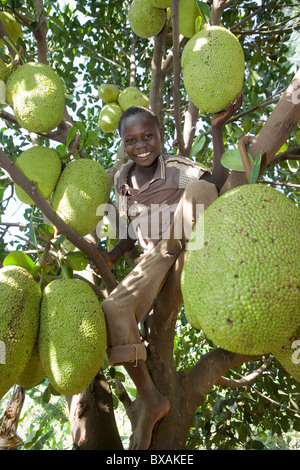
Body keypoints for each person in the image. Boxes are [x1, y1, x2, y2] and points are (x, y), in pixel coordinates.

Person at [96, 94, 242, 450]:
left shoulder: (175, 166)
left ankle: (204, 269)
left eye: (147, 136)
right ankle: (150, 399)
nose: (140, 145)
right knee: (112, 311)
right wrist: (112, 255)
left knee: (202, 188)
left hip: (189, 237)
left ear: (160, 136)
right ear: (123, 145)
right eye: (131, 140)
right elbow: (131, 230)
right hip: (155, 256)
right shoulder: (121, 182)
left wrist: (217, 129)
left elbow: (217, 185)